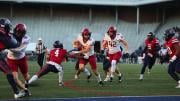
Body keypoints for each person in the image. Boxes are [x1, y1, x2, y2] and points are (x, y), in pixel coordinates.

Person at [0, 18, 24, 99]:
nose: (9, 28)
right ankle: (17, 93)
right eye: (8, 27)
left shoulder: (3, 35)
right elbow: (16, 45)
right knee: (9, 72)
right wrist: (19, 36)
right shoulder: (4, 38)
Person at [7, 23, 31, 96]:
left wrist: (7, 47)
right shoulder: (10, 35)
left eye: (20, 32)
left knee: (27, 77)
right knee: (15, 78)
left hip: (21, 58)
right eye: (17, 32)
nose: (18, 34)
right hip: (11, 59)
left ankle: (25, 86)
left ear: (24, 33)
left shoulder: (26, 38)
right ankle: (25, 90)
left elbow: (19, 50)